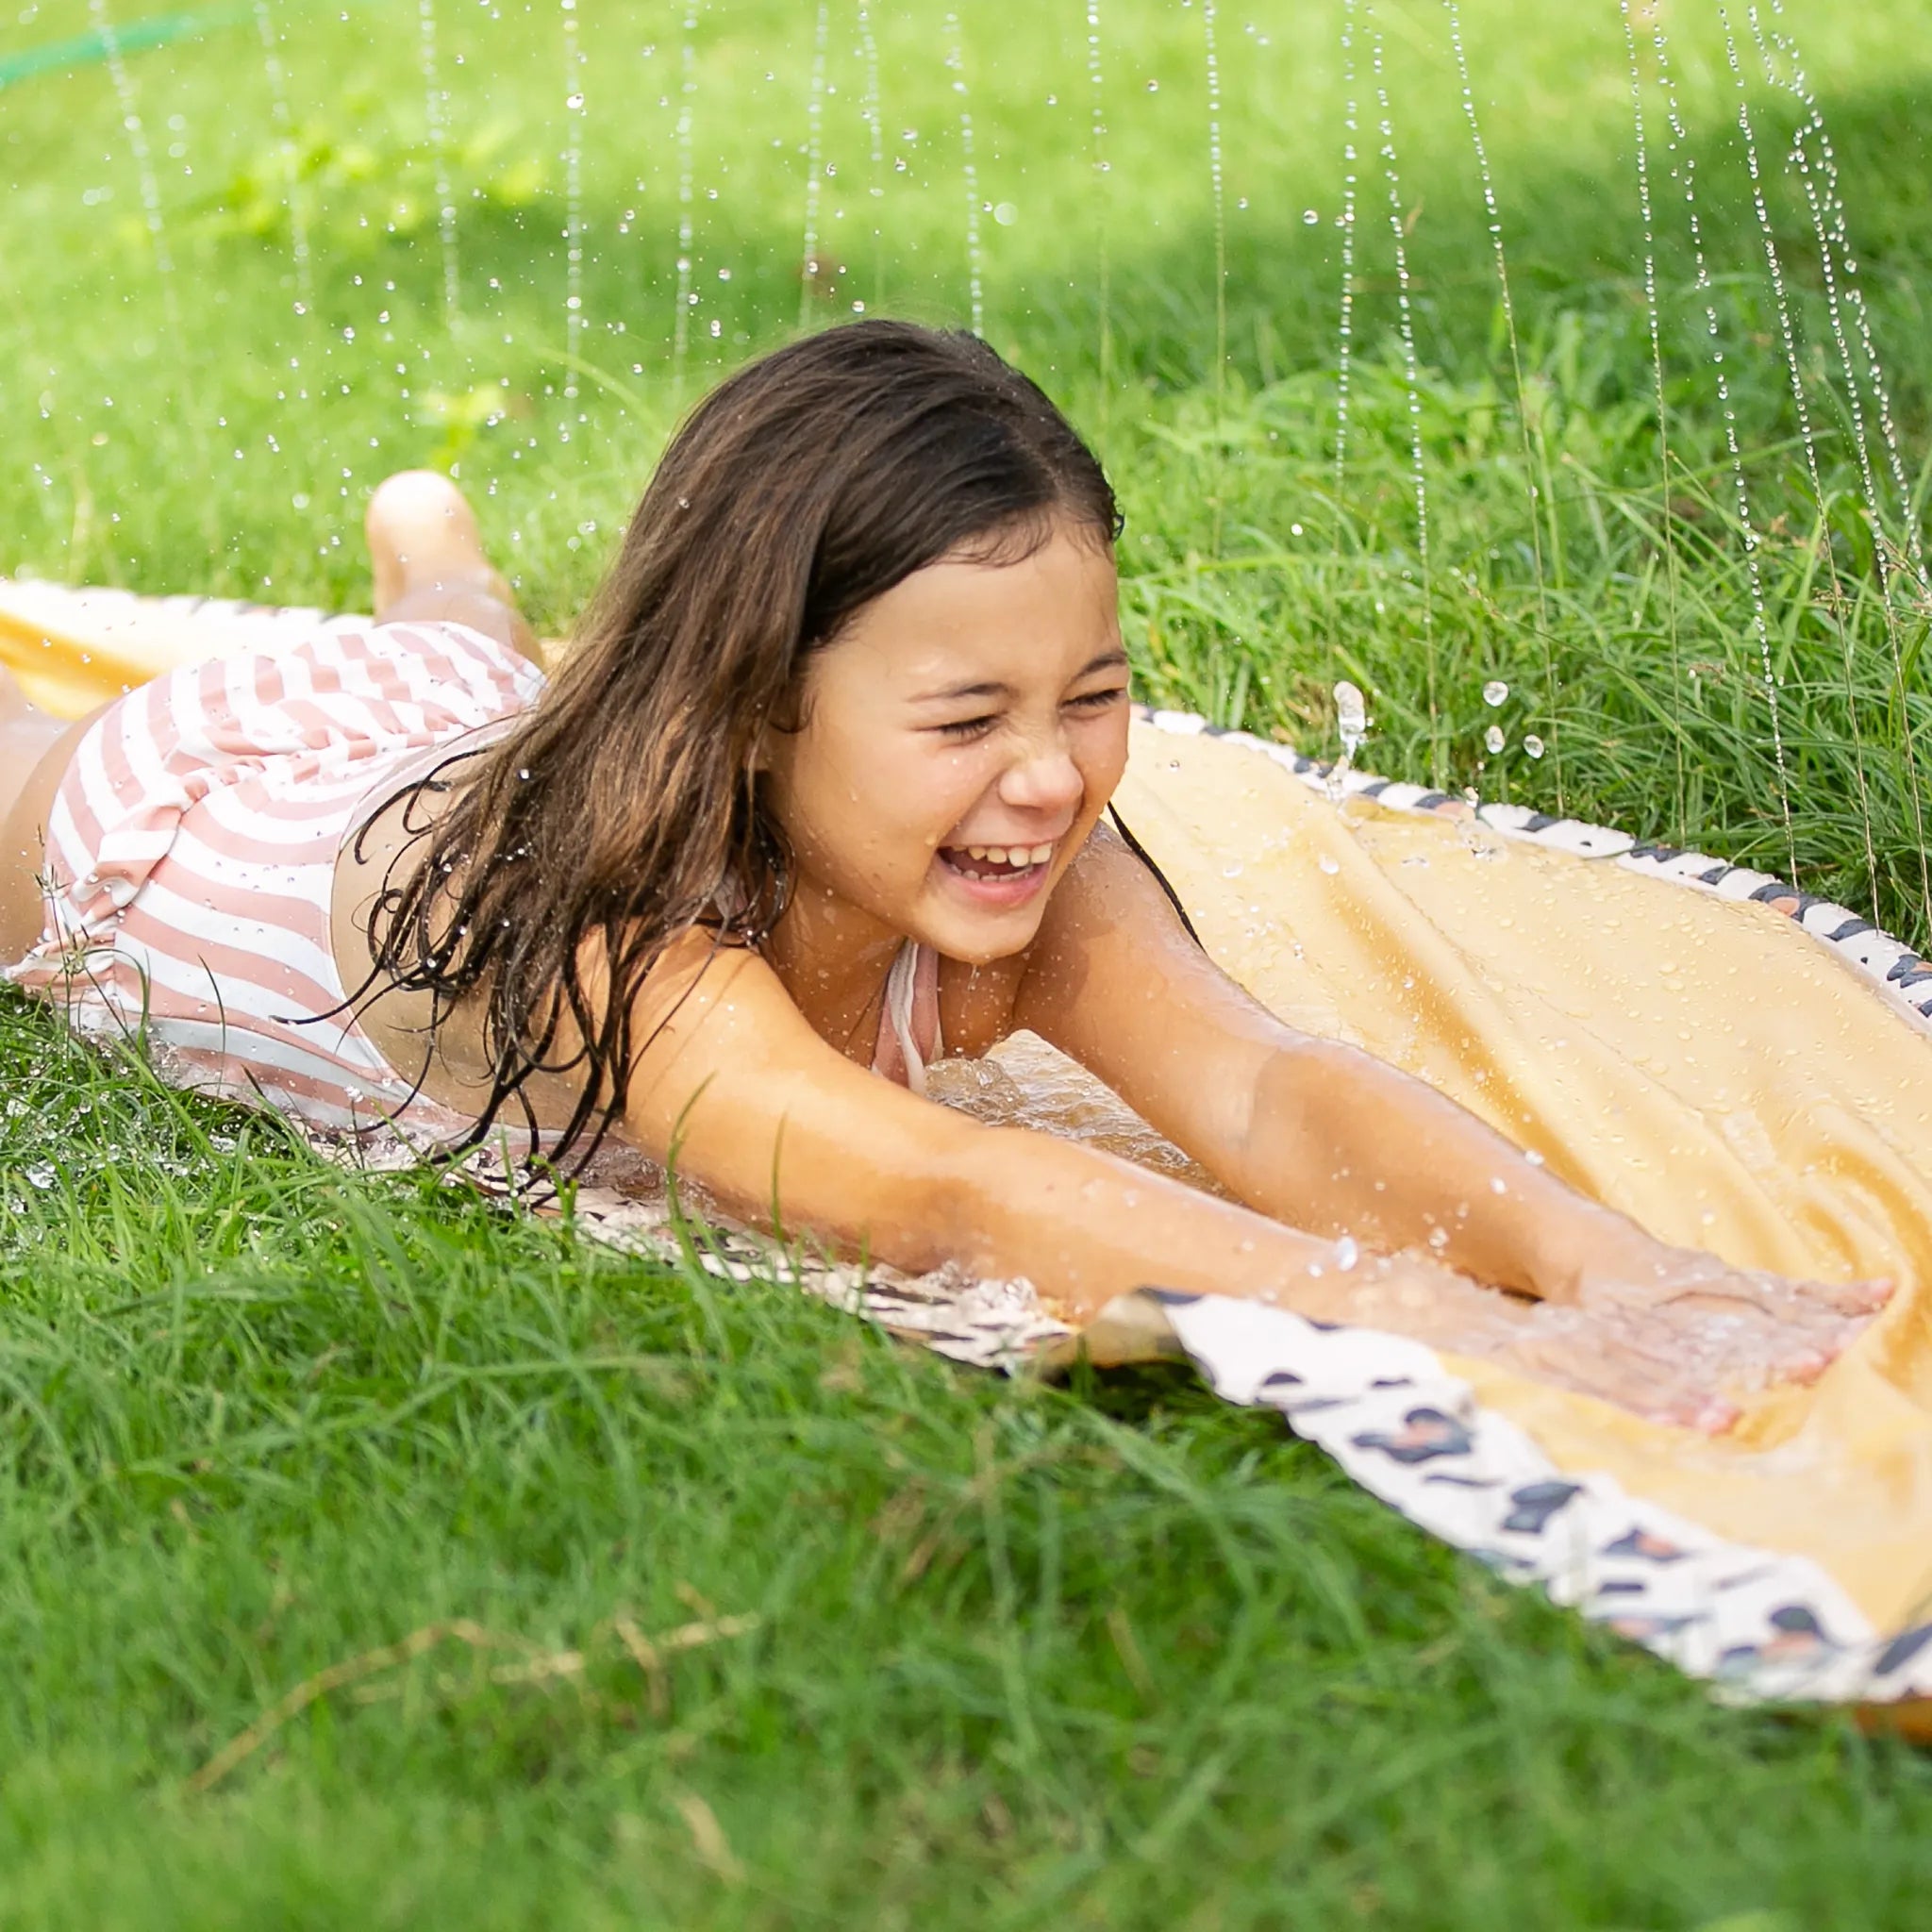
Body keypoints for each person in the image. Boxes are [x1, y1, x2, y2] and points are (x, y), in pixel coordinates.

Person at [0, 322, 1885, 1428]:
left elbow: (1255, 1080)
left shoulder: (1012, 824)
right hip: (201, 807)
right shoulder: (615, 956)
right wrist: (1470, 1334)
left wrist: (1614, 1268)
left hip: (453, 730)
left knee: (465, 660)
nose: (1051, 773)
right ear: (756, 709)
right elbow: (946, 1191)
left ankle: (434, 554)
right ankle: (429, 565)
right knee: (350, 687)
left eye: (1095, 689)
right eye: (968, 713)